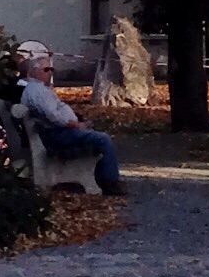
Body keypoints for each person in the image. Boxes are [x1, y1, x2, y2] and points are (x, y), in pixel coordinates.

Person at [10, 42, 124, 194]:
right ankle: (110, 182)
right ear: (34, 71)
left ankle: (103, 177)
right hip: (56, 135)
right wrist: (76, 125)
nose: (50, 73)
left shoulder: (37, 89)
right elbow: (54, 116)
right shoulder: (36, 91)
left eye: (51, 69)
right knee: (103, 139)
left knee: (96, 135)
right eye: (46, 69)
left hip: (53, 132)